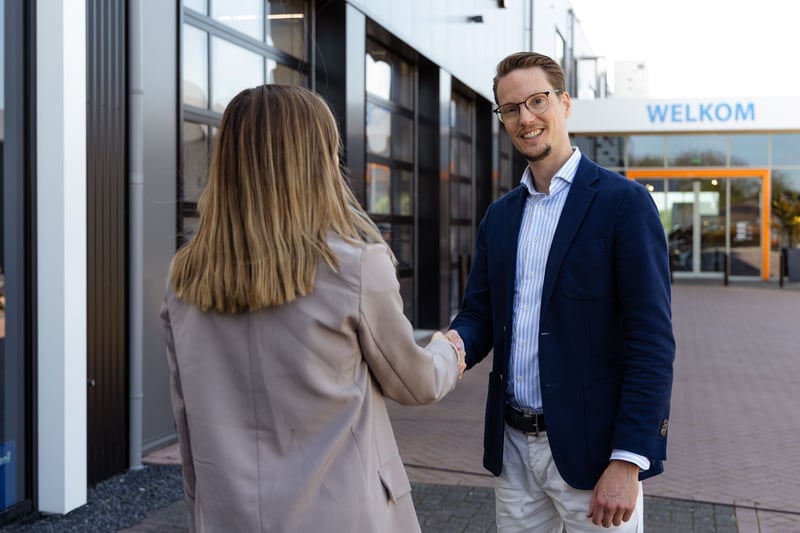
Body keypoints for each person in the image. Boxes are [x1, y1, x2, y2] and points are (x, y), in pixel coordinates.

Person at [160, 84, 465, 533]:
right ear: (317, 159)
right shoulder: (357, 266)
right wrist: (448, 352)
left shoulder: (184, 278)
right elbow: (414, 383)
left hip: (229, 517)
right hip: (344, 515)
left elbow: (186, 419)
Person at [446, 52, 675, 532]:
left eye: (537, 101)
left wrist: (629, 460)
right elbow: (480, 315)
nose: (525, 117)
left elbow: (651, 342)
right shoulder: (500, 217)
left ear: (564, 102)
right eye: (511, 109)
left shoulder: (624, 205)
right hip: (512, 451)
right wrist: (453, 344)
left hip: (594, 458)